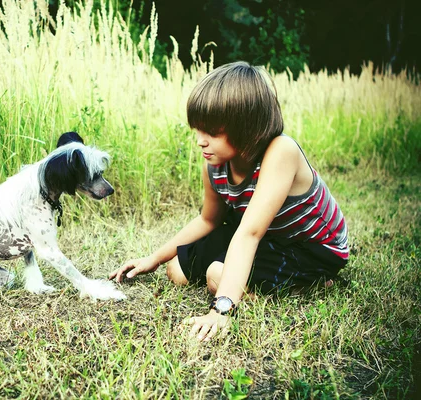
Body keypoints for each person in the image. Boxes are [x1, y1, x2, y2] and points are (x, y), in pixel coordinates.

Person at [109, 61, 348, 341]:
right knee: (176, 270)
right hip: (267, 235)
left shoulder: (281, 151)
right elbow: (208, 219)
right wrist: (153, 259)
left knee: (216, 275)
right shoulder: (214, 164)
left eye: (211, 132)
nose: (200, 141)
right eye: (197, 130)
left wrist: (221, 310)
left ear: (248, 127)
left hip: (309, 249)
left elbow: (250, 233)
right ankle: (249, 279)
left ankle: (310, 283)